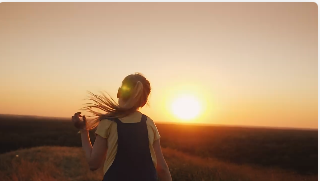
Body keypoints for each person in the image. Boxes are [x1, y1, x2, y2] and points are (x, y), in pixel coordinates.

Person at [71, 73, 172, 181]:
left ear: (119, 92)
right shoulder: (149, 123)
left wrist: (83, 130)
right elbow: (162, 169)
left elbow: (93, 164)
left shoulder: (108, 122)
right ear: (144, 102)